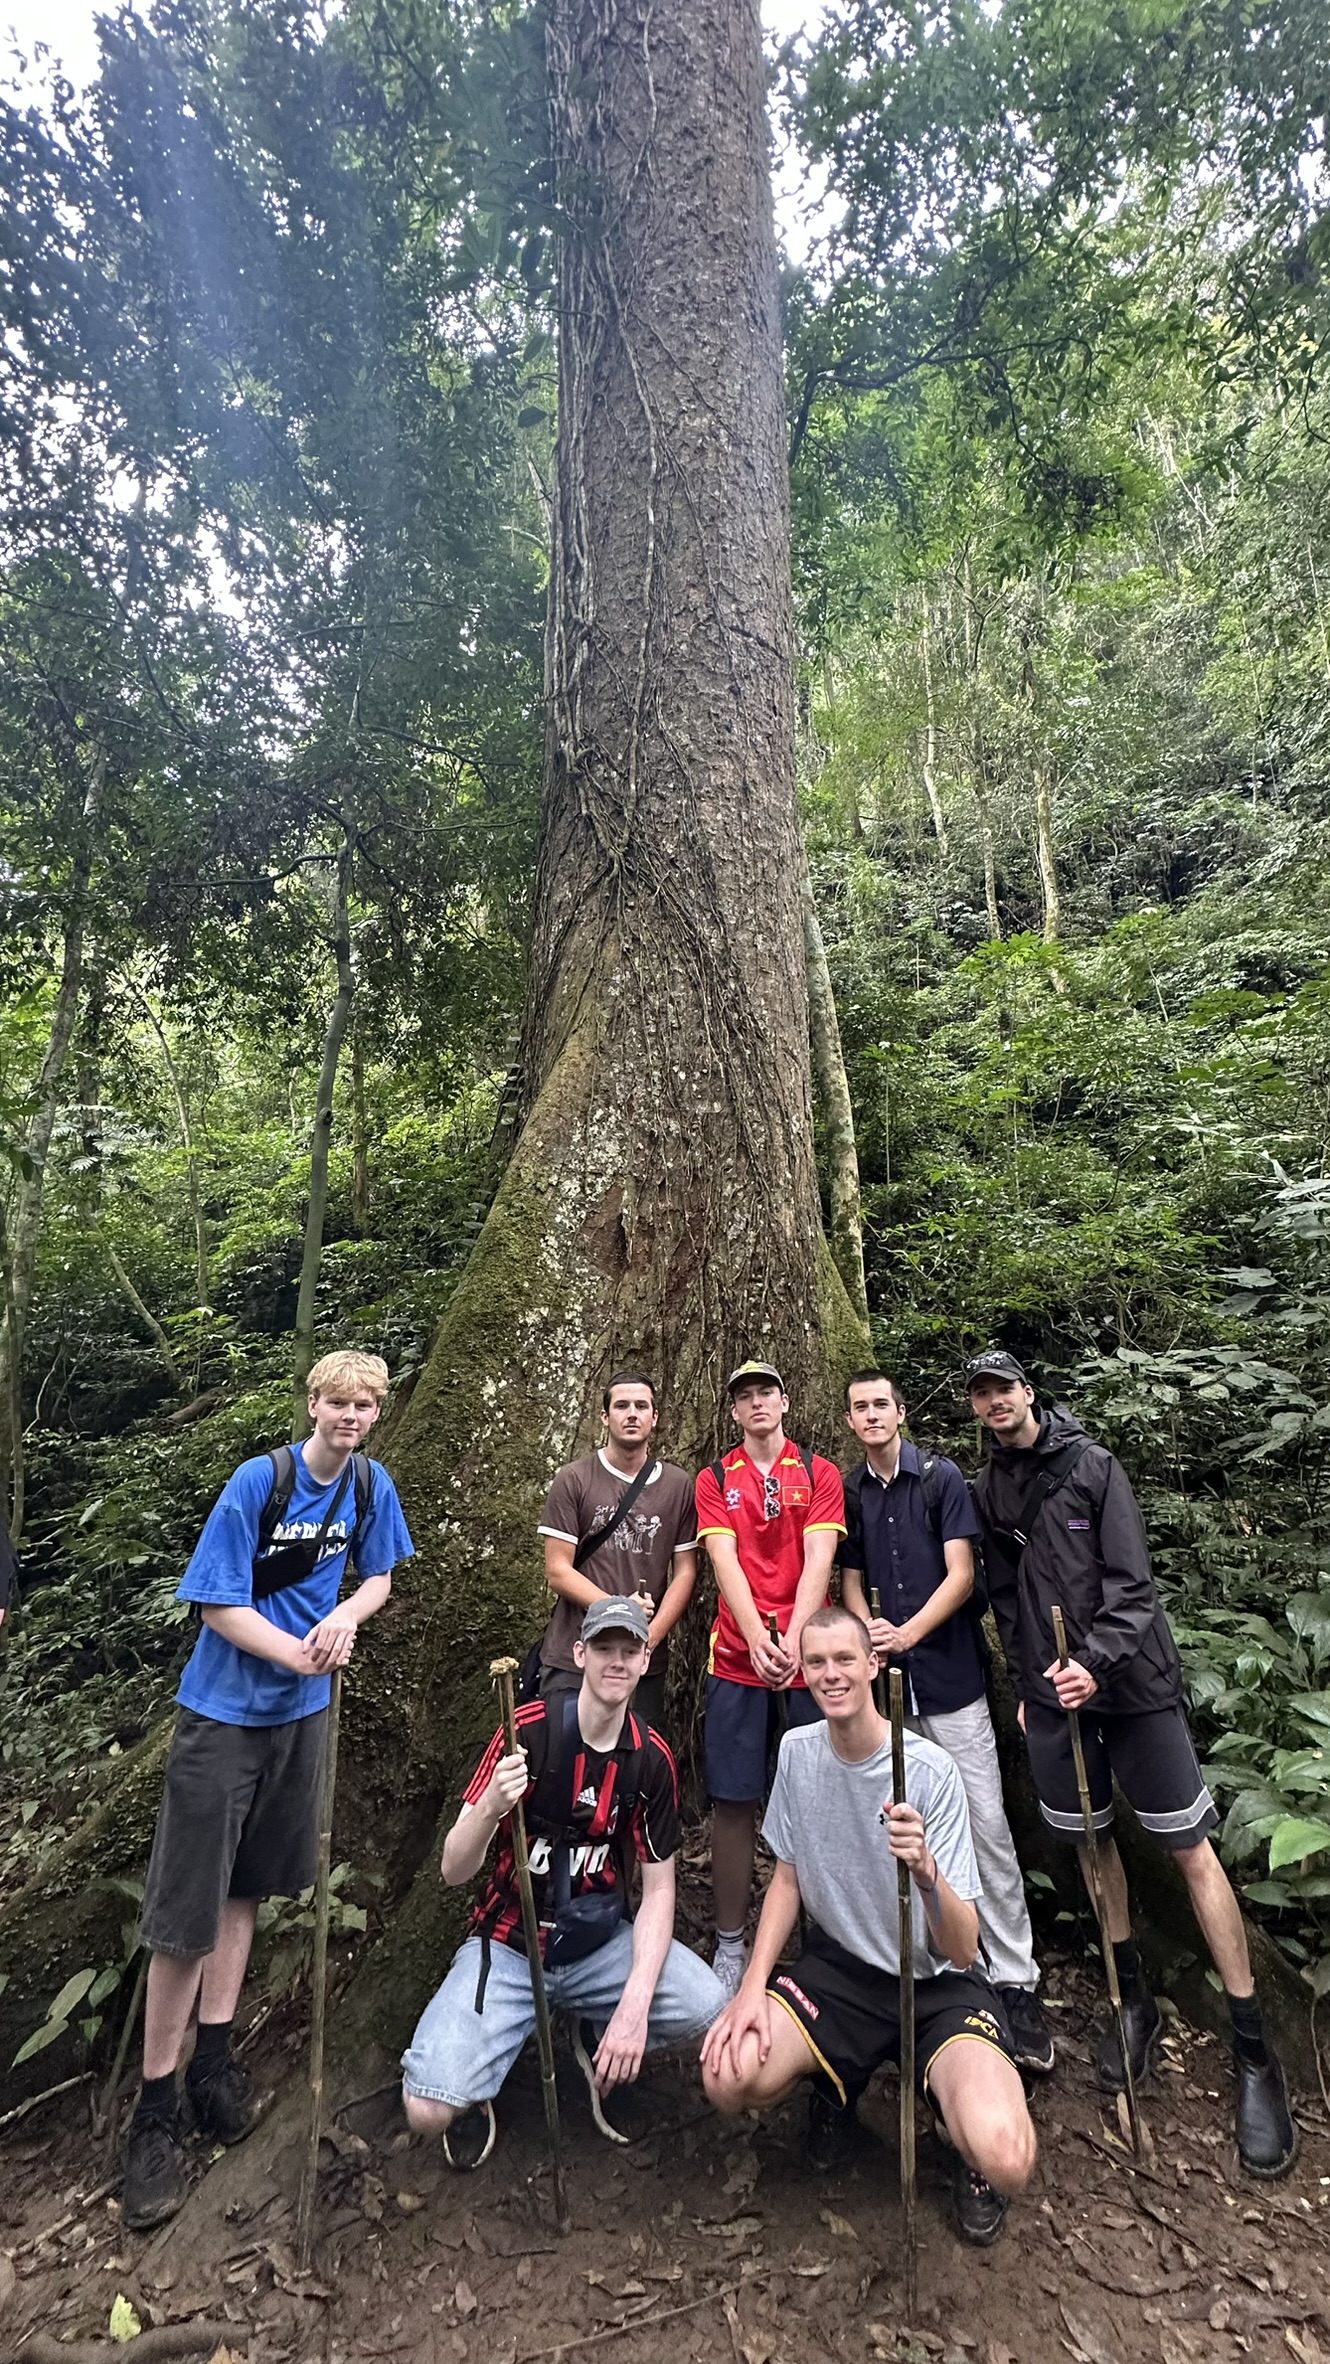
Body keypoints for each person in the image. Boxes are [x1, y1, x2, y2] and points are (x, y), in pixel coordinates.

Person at [966, 1346, 1297, 2179]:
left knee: (1189, 1849)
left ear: (1028, 1391)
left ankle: (1257, 2048)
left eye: (1004, 1387)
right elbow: (1005, 1593)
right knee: (1088, 1840)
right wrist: (1034, 1675)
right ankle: (1135, 2003)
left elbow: (1134, 1586)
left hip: (1132, 1686)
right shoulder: (990, 1488)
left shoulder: (1092, 1466)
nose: (995, 1402)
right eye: (981, 1394)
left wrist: (1096, 1661)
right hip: (1054, 1693)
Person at [122, 1349, 415, 2231]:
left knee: (246, 1889)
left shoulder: (371, 1488)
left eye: (365, 1405)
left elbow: (380, 1580)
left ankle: (216, 2059)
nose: (350, 1417)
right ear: (312, 1404)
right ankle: (155, 2106)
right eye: (337, 1402)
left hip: (302, 1720)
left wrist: (343, 1618)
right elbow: (214, 1604)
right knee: (185, 1910)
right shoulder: (261, 1481)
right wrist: (293, 1652)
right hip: (222, 1714)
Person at [701, 1604, 1037, 2245]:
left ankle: (955, 2121)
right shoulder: (798, 1753)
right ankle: (837, 2084)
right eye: (817, 1662)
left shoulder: (929, 1772)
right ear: (803, 1671)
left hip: (936, 1981)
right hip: (843, 1975)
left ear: (873, 1664)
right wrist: (750, 1987)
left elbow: (964, 1946)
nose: (831, 1675)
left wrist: (926, 1871)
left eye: (845, 1660)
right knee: (727, 2075)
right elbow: (788, 1877)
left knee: (1007, 2156)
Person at [401, 1596, 724, 2159]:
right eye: (604, 1648)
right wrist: (489, 1809)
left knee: (705, 2005)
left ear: (647, 1660)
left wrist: (633, 2007)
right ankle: (479, 2083)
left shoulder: (650, 1758)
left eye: (630, 1650)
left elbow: (660, 1888)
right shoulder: (526, 1730)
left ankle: (597, 2030)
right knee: (426, 2108)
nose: (616, 1662)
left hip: (597, 1944)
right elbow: (454, 1870)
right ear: (579, 1654)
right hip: (510, 1946)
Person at [837, 1367, 1054, 2106]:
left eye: (880, 1405)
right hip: (888, 1688)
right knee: (902, 1825)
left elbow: (962, 1575)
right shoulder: (852, 1488)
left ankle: (1016, 1978)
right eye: (859, 1407)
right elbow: (851, 1572)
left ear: (901, 1413)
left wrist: (908, 1632)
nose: (871, 1416)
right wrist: (865, 1632)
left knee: (984, 1821)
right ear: (851, 1419)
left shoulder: (941, 1477)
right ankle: (936, 1967)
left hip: (951, 1677)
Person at [694, 1361, 846, 1998]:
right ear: (734, 1412)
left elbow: (821, 1556)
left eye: (766, 1393)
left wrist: (793, 1642)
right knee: (733, 1801)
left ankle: (824, 1938)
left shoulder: (818, 1472)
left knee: (821, 1797)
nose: (756, 1404)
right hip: (736, 1659)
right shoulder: (714, 1478)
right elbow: (722, 1558)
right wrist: (759, 1639)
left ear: (784, 1402)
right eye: (744, 1397)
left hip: (811, 1666)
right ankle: (731, 1940)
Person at [536, 1370, 698, 1733]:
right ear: (605, 1416)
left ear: (654, 1417)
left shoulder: (676, 1485)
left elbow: (686, 1570)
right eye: (621, 1405)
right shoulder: (575, 1478)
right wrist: (620, 1611)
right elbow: (557, 1569)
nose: (632, 1414)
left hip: (642, 1657)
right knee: (562, 1758)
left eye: (642, 1406)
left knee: (634, 1763)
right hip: (574, 1654)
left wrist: (651, 1635)